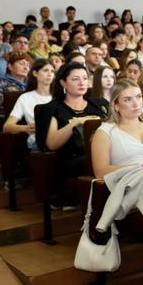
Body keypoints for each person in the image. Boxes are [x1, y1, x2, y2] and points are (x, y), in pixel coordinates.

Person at [36, 62, 109, 210]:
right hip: (72, 160)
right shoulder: (52, 109)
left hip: (106, 152)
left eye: (84, 78)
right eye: (75, 79)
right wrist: (74, 123)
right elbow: (51, 144)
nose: (82, 82)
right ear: (63, 82)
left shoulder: (99, 104)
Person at [92, 79, 143, 199]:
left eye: (138, 97)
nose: (136, 103)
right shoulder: (105, 132)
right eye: (128, 99)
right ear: (115, 105)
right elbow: (100, 172)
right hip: (128, 183)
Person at [2, 59, 54, 151]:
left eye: (52, 71)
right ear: (35, 73)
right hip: (37, 138)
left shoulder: (59, 96)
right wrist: (26, 128)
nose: (50, 74)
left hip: (58, 135)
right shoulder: (25, 98)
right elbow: (7, 127)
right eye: (46, 70)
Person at [0, 52, 31, 118]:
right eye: (21, 64)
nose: (26, 68)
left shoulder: (32, 83)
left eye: (28, 65)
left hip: (26, 116)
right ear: (10, 67)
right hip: (2, 116)